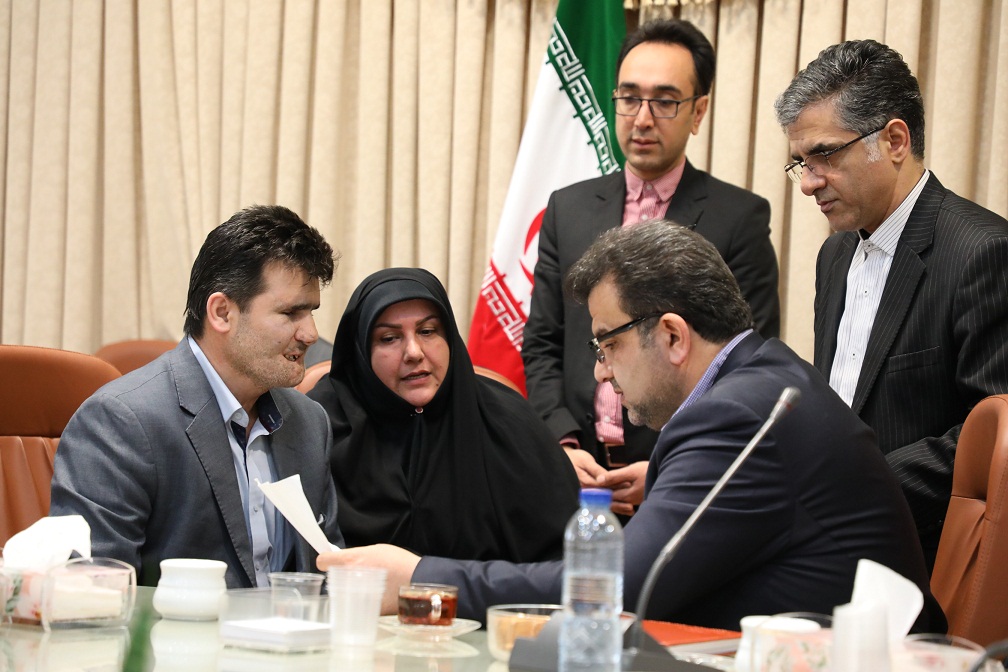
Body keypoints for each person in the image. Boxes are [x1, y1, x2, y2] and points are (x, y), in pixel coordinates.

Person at [317, 222, 945, 633]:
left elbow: (616, 590)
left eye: (607, 344)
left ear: (671, 336)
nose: (600, 371)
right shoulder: (762, 380)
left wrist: (422, 576)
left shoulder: (738, 418)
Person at [522, 19, 780, 516]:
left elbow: (746, 363)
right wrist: (562, 442)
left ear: (698, 111)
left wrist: (670, 461)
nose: (642, 118)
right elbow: (542, 343)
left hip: (682, 476)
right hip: (577, 473)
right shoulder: (566, 209)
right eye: (629, 97)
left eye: (664, 101)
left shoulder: (739, 219)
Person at [775, 39, 1008, 568]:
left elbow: (991, 441)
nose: (808, 183)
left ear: (895, 140)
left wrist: (856, 489)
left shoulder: (983, 252)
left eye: (825, 155)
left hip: (927, 560)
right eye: (801, 162)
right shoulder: (835, 254)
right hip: (831, 549)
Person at [50, 205, 344, 588]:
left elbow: (327, 576)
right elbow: (91, 594)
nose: (310, 334)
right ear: (222, 313)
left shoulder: (309, 423)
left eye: (312, 312)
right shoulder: (122, 422)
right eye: (291, 313)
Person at [307, 268, 578, 563]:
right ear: (361, 351)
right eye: (389, 338)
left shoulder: (509, 422)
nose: (414, 352)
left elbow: (563, 564)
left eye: (427, 331)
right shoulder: (319, 424)